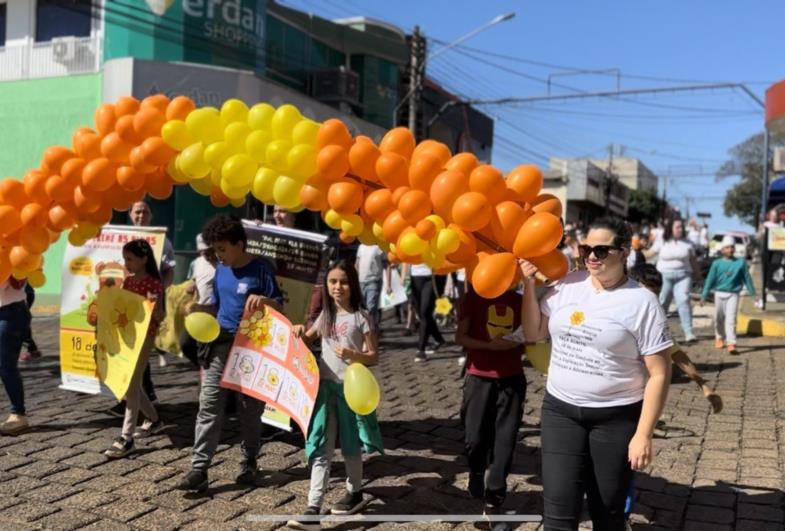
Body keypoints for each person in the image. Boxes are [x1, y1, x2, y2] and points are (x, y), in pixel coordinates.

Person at [520, 218, 673, 531]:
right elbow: (534, 333)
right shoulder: (566, 284)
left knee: (608, 514)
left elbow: (659, 373)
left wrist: (643, 434)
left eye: (601, 250)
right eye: (586, 248)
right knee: (558, 515)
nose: (591, 256)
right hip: (561, 412)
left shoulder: (643, 302)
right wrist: (528, 286)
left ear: (624, 252)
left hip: (616, 419)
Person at [175, 215, 283, 493]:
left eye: (222, 249)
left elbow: (280, 307)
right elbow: (219, 307)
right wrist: (200, 310)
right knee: (209, 405)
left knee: (250, 411)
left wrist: (266, 302)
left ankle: (249, 460)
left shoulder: (261, 269)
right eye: (215, 249)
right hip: (219, 346)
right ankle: (199, 468)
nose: (218, 255)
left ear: (239, 244)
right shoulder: (221, 270)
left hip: (251, 351)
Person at [288, 260, 383, 529]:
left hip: (351, 392)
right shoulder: (325, 317)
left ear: (352, 285)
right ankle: (313, 507)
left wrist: (355, 356)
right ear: (326, 285)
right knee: (321, 446)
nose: (338, 287)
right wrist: (298, 331)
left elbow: (374, 356)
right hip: (325, 390)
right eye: (333, 282)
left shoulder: (361, 317)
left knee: (351, 445)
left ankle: (354, 491)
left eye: (343, 282)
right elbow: (306, 340)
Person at [456, 284, 525, 528]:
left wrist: (521, 341)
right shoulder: (472, 298)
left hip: (512, 379)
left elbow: (533, 335)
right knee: (474, 439)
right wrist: (489, 346)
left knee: (504, 442)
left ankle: (493, 502)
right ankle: (476, 471)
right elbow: (460, 337)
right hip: (478, 377)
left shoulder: (521, 300)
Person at [103, 240, 166, 458]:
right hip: (127, 337)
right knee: (133, 383)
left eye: (129, 259)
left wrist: (154, 306)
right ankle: (155, 420)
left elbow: (159, 317)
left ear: (144, 259)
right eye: (125, 259)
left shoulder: (154, 284)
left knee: (131, 383)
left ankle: (126, 437)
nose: (126, 263)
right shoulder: (128, 283)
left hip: (145, 338)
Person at [700, 235, 756, 355]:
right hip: (719, 294)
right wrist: (704, 295)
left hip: (733, 294)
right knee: (719, 319)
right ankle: (719, 338)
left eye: (732, 247)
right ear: (722, 249)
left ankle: (731, 342)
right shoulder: (716, 263)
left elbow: (747, 278)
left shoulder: (740, 263)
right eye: (727, 247)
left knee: (731, 319)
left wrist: (753, 294)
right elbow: (710, 279)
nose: (730, 250)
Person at [651, 218, 701, 342]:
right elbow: (649, 253)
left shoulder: (688, 243)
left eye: (681, 227)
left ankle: (689, 332)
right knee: (662, 304)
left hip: (684, 276)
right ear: (670, 228)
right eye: (677, 227)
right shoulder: (662, 241)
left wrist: (699, 276)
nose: (680, 229)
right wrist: (633, 253)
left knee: (683, 301)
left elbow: (693, 261)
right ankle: (658, 333)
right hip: (664, 276)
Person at [0, 278, 33, 435]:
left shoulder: (11, 254)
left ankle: (19, 415)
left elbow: (18, 282)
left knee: (6, 366)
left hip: (10, 312)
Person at [180, 234, 217, 367]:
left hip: (215, 313)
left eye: (211, 251)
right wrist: (193, 287)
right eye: (205, 253)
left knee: (208, 351)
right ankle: (202, 368)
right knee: (185, 344)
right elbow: (197, 280)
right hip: (198, 311)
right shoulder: (197, 263)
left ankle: (205, 374)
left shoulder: (223, 263)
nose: (209, 256)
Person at [406, 263, 446, 362]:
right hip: (415, 275)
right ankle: (438, 339)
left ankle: (421, 350)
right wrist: (405, 275)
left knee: (425, 311)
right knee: (423, 314)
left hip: (432, 276)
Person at [355, 243, 389, 332]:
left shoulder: (380, 247)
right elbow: (357, 264)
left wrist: (388, 284)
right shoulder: (361, 246)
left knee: (371, 307)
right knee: (362, 308)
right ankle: (369, 329)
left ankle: (371, 332)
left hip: (374, 281)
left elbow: (387, 265)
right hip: (360, 282)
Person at [19, 284, 42, 362]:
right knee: (21, 322)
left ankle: (33, 350)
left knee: (20, 322)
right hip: (24, 294)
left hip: (22, 294)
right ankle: (33, 350)